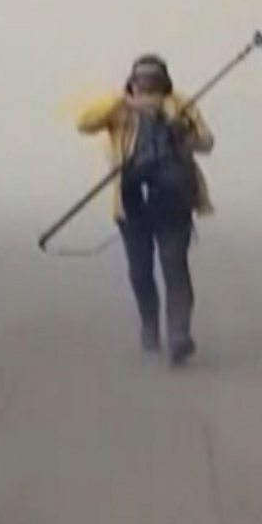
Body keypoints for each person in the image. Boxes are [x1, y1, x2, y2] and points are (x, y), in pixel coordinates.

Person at [76, 55, 214, 366]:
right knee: (140, 271)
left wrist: (185, 134)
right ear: (132, 83)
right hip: (131, 200)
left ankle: (179, 334)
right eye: (141, 81)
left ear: (164, 82)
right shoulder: (119, 107)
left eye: (153, 81)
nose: (147, 87)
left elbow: (206, 142)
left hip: (174, 197)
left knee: (174, 268)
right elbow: (85, 124)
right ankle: (149, 325)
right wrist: (122, 104)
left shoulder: (181, 105)